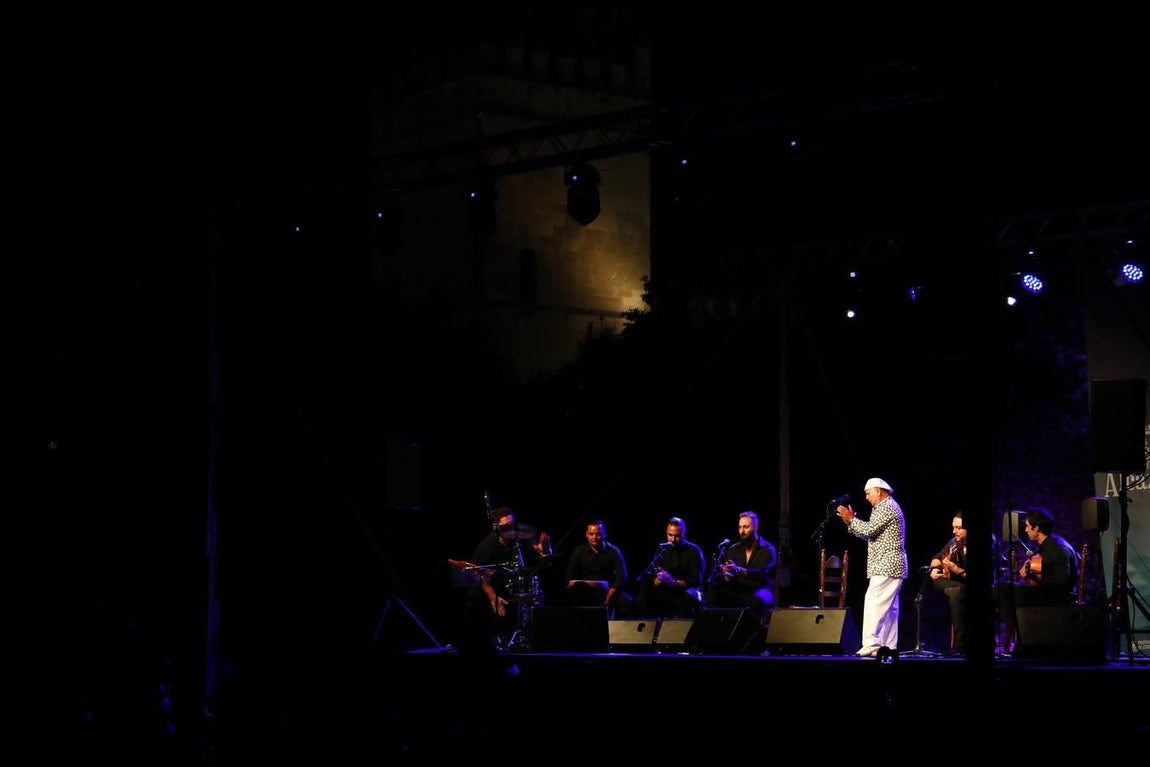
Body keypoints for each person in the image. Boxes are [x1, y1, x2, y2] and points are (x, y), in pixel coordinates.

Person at [458, 506, 551, 662]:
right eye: (506, 526)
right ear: (496, 527)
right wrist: (493, 597)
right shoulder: (487, 546)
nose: (510, 529)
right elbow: (477, 573)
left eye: (512, 524)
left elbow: (539, 551)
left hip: (508, 588)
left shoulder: (519, 537)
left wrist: (545, 550)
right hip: (485, 593)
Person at [836, 477, 908, 657]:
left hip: (887, 565)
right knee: (889, 609)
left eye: (868, 493)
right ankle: (888, 647)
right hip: (889, 565)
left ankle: (872, 644)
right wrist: (851, 522)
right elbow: (868, 534)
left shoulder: (887, 507)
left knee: (874, 602)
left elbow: (868, 531)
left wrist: (851, 520)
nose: (867, 498)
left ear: (878, 491)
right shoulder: (883, 508)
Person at [995, 507, 1079, 652]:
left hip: (1056, 597)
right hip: (1046, 591)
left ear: (1037, 528)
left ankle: (1019, 636)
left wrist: (1033, 577)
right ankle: (1016, 635)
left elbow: (1062, 582)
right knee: (999, 590)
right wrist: (1032, 573)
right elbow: (1042, 569)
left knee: (1003, 589)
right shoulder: (1047, 545)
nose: (1026, 530)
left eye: (1028, 526)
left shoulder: (1056, 548)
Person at [704, 510, 777, 623]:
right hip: (739, 590)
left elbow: (761, 574)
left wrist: (737, 570)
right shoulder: (734, 549)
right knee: (713, 595)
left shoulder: (768, 549)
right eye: (740, 527)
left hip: (759, 589)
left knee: (756, 601)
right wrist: (726, 574)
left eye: (746, 527)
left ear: (755, 528)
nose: (742, 531)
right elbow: (729, 576)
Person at [635, 516, 705, 619]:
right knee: (642, 597)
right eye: (670, 535)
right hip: (666, 590)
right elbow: (653, 571)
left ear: (684, 534)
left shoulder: (693, 551)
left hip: (683, 592)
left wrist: (672, 581)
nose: (672, 539)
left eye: (677, 536)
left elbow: (696, 580)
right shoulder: (662, 548)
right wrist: (656, 580)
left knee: (687, 597)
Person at [564, 519, 635, 619]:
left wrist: (609, 595)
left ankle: (619, 633)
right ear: (586, 534)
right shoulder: (579, 551)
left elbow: (622, 577)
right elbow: (570, 576)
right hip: (586, 590)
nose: (594, 537)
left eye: (598, 534)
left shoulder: (613, 551)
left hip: (608, 590)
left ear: (605, 534)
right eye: (591, 534)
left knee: (626, 602)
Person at [928, 511, 968, 654]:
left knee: (957, 592)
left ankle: (958, 647)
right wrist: (933, 569)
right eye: (953, 527)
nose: (954, 531)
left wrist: (955, 569)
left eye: (958, 528)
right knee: (946, 585)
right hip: (954, 585)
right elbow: (937, 557)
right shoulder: (953, 542)